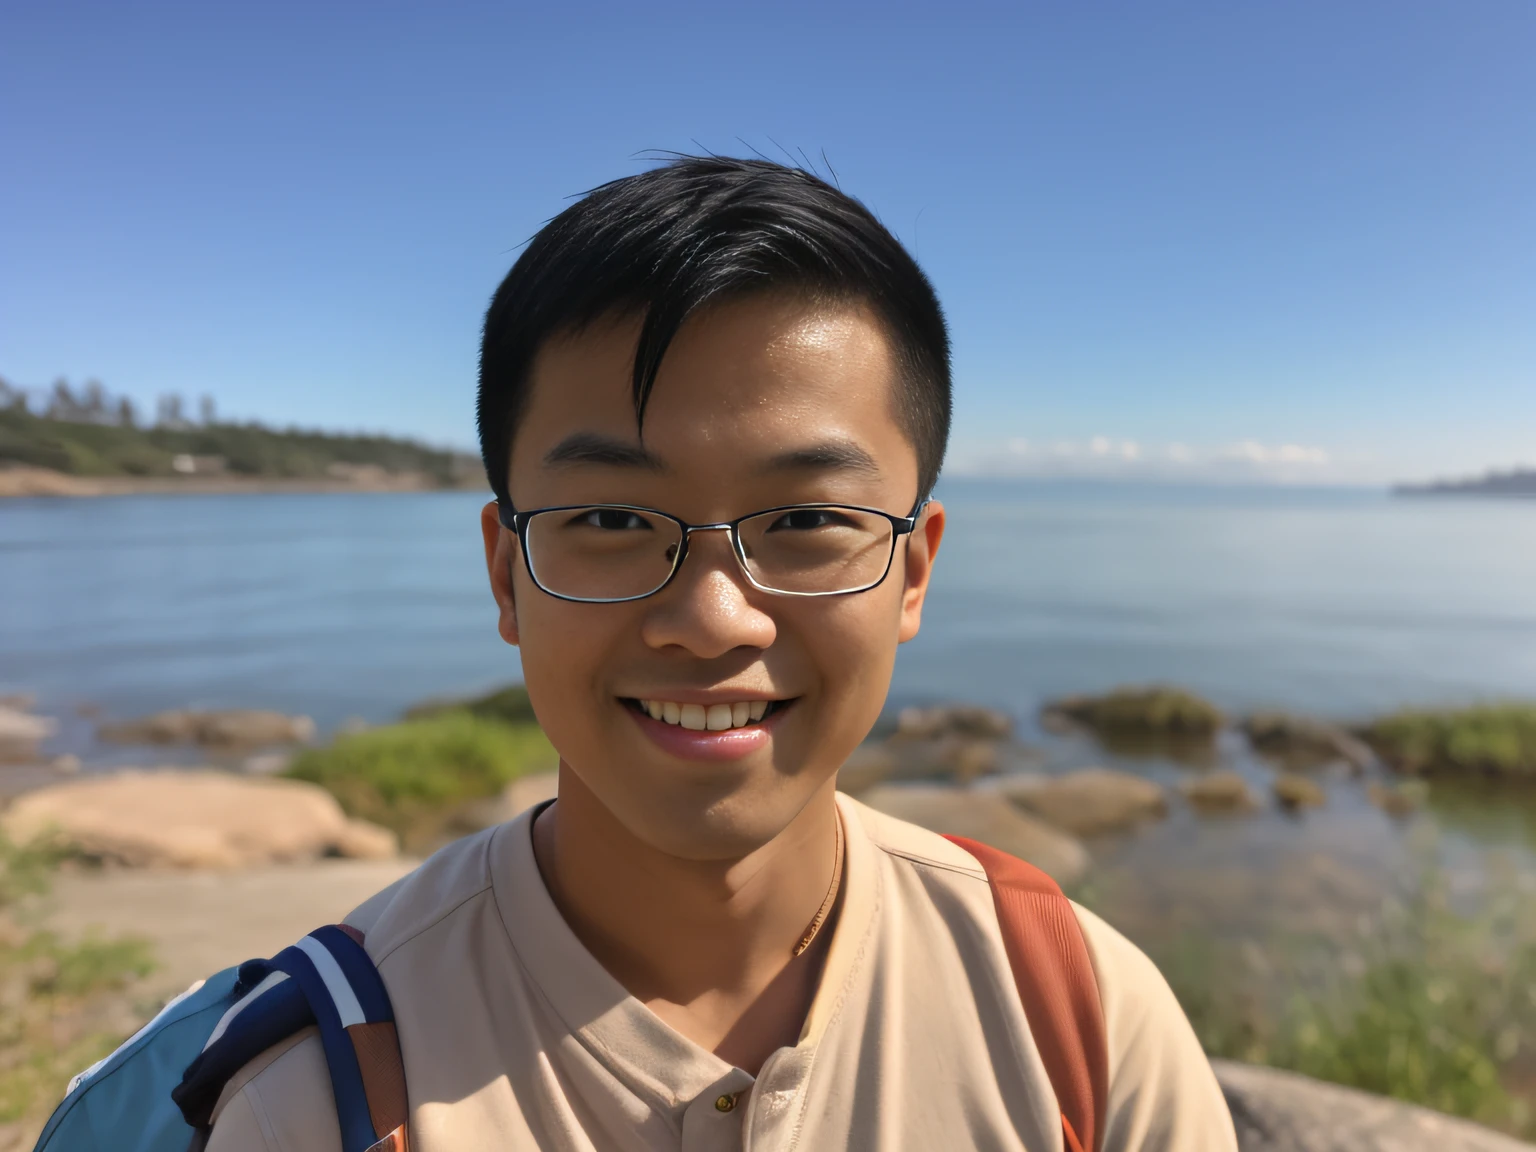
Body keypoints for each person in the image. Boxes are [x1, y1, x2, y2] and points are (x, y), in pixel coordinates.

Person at [205, 156, 1238, 1150]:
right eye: (611, 518)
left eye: (804, 518)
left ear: (913, 573)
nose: (711, 618)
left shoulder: (1077, 1019)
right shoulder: (315, 1093)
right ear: (505, 573)